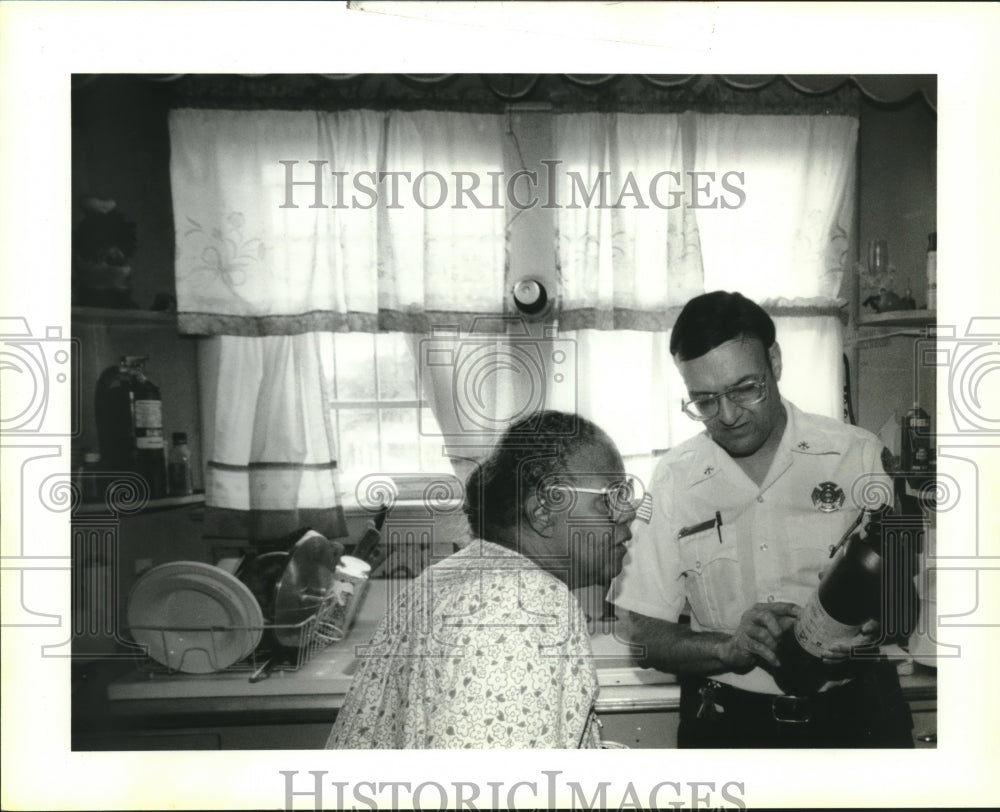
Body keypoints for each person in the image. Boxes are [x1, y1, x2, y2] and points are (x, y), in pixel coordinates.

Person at [609, 290, 919, 748]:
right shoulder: (675, 477)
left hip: (855, 721)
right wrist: (726, 647)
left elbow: (904, 606)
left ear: (774, 363)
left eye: (744, 389)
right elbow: (642, 634)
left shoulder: (856, 455)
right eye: (705, 401)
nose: (728, 416)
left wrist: (875, 631)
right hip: (728, 728)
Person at [326, 410, 637, 749]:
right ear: (544, 511)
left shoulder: (447, 577)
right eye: (612, 496)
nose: (629, 511)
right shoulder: (520, 607)